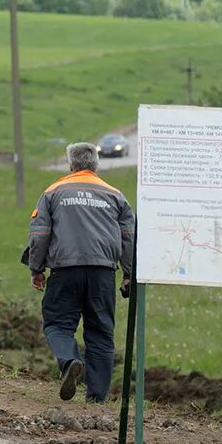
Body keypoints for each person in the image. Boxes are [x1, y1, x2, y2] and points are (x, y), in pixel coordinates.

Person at [25, 141, 134, 402]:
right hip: (103, 273)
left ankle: (70, 361)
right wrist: (129, 273)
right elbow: (128, 236)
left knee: (58, 324)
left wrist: (36, 268)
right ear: (95, 165)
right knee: (100, 333)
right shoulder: (115, 195)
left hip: (65, 271)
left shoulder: (53, 192)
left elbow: (40, 234)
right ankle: (96, 399)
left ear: (71, 165)